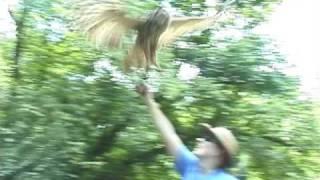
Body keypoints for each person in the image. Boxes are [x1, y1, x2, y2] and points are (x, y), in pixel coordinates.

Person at [136, 84, 239, 180]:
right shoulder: (190, 164)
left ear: (220, 151)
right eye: (203, 136)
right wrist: (149, 100)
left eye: (208, 139)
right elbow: (169, 134)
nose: (199, 140)